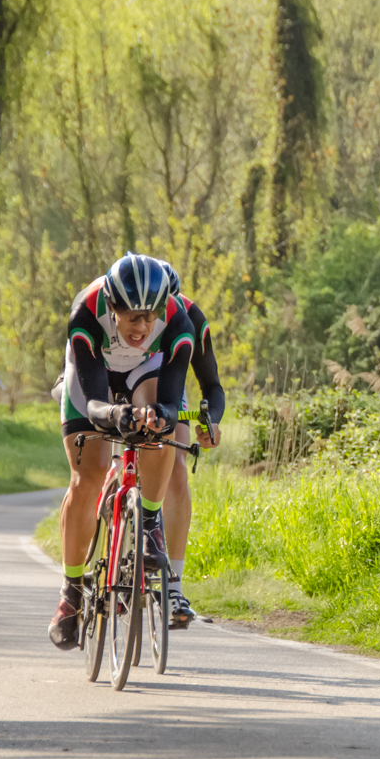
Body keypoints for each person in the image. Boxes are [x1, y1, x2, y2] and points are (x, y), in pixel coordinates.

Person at [48, 253, 197, 650]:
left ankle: (148, 525)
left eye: (150, 317)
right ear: (112, 306)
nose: (142, 327)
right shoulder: (86, 311)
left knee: (159, 431)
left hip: (143, 370)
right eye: (132, 318)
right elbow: (96, 402)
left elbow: (171, 401)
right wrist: (116, 413)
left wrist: (157, 416)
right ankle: (71, 593)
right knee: (88, 476)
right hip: (93, 373)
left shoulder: (177, 320)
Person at [156, 262, 226, 628]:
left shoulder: (190, 316)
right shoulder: (117, 312)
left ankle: (173, 587)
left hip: (169, 382)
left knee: (177, 470)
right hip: (119, 377)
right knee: (106, 457)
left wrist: (211, 422)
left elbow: (212, 385)